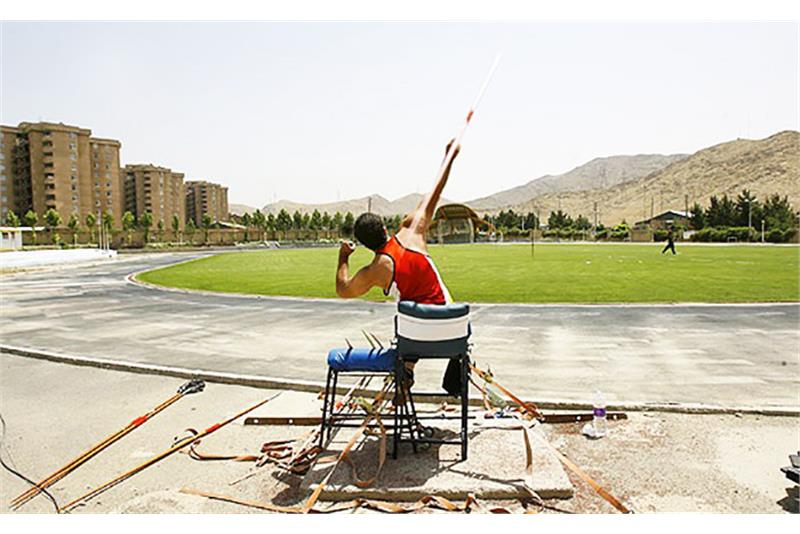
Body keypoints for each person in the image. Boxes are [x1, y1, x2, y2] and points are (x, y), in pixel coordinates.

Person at [335, 139, 460, 395]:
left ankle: (406, 372)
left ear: (365, 244)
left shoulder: (375, 269)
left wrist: (344, 257)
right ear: (384, 227)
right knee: (421, 316)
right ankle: (412, 370)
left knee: (408, 324)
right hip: (451, 332)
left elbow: (343, 290)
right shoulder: (412, 231)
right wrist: (449, 157)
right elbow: (434, 190)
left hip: (415, 338)